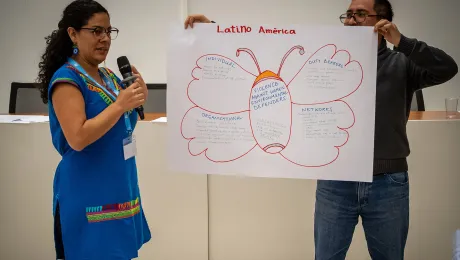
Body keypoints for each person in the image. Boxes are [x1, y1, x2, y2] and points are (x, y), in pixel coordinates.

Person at [184, 0, 458, 259]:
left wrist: (404, 43)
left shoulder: (402, 64)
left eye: (360, 14)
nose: (351, 20)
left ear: (383, 23)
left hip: (388, 182)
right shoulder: (326, 60)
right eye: (348, 14)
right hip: (336, 181)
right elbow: (268, 50)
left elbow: (447, 68)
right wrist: (213, 32)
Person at [36, 0, 151, 259]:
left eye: (109, 31)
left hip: (120, 186)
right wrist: (121, 104)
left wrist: (136, 101)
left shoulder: (109, 76)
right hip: (89, 192)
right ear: (73, 33)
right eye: (96, 31)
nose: (105, 39)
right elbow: (77, 138)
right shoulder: (67, 79)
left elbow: (120, 126)